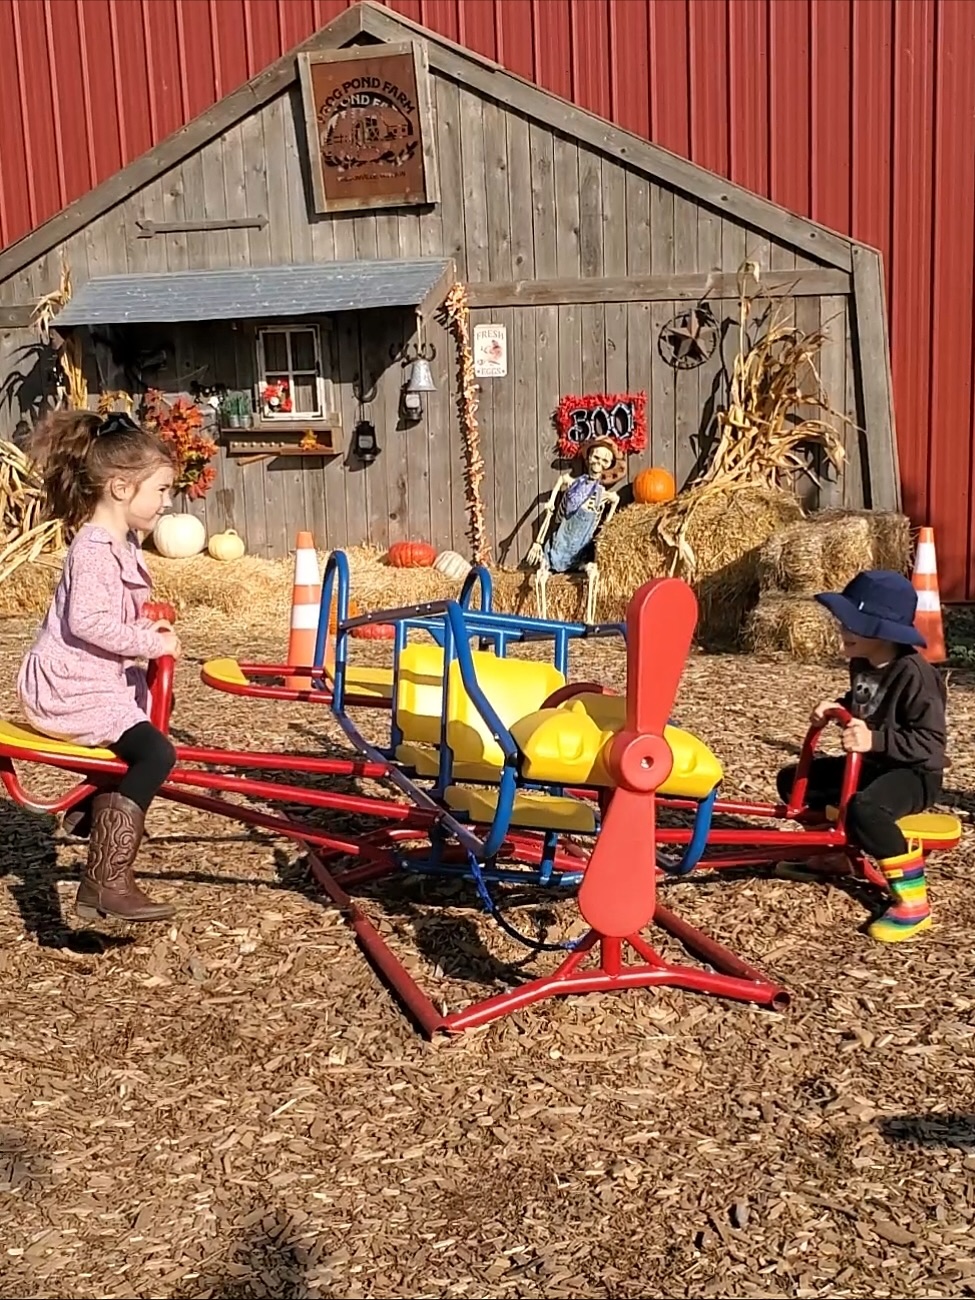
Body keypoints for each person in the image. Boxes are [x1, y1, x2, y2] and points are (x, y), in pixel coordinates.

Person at [18, 409, 182, 923]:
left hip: (94, 681)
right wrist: (145, 643)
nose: (166, 501)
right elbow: (87, 621)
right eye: (159, 490)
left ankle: (91, 810)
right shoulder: (93, 549)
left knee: (148, 728)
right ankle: (106, 882)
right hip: (70, 687)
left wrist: (144, 632)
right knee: (155, 754)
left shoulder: (118, 544)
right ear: (118, 487)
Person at [776, 569, 946, 943]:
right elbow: (863, 701)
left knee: (865, 809)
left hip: (914, 773)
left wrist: (875, 740)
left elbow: (931, 744)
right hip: (872, 763)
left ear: (883, 631)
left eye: (853, 623)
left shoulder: (916, 676)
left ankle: (913, 901)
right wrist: (837, 706)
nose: (843, 629)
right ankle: (839, 856)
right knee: (794, 781)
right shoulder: (864, 660)